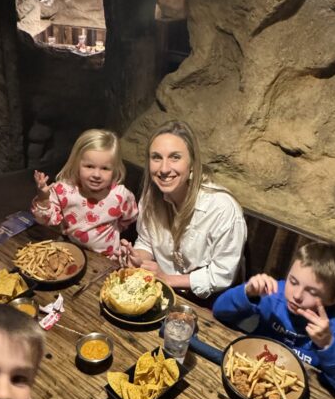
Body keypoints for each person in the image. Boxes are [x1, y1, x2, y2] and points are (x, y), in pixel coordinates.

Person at [212, 241, 335, 399]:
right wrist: (247, 293)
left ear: (332, 299)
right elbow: (219, 311)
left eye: (312, 292)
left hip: (299, 394)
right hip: (250, 376)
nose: (297, 295)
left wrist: (328, 344)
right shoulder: (273, 293)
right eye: (293, 281)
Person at [121, 120, 246, 299]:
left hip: (210, 304)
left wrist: (167, 279)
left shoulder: (222, 209)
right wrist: (136, 258)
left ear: (192, 163)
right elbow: (147, 241)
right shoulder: (152, 196)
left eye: (175, 157)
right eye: (156, 157)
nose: (164, 169)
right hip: (161, 291)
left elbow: (221, 274)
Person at [31, 129, 138, 257]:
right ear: (77, 164)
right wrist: (43, 198)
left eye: (105, 168)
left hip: (108, 259)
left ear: (114, 170)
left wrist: (115, 230)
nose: (96, 175)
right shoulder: (64, 190)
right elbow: (45, 220)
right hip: (70, 252)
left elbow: (129, 218)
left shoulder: (121, 195)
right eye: (89, 166)